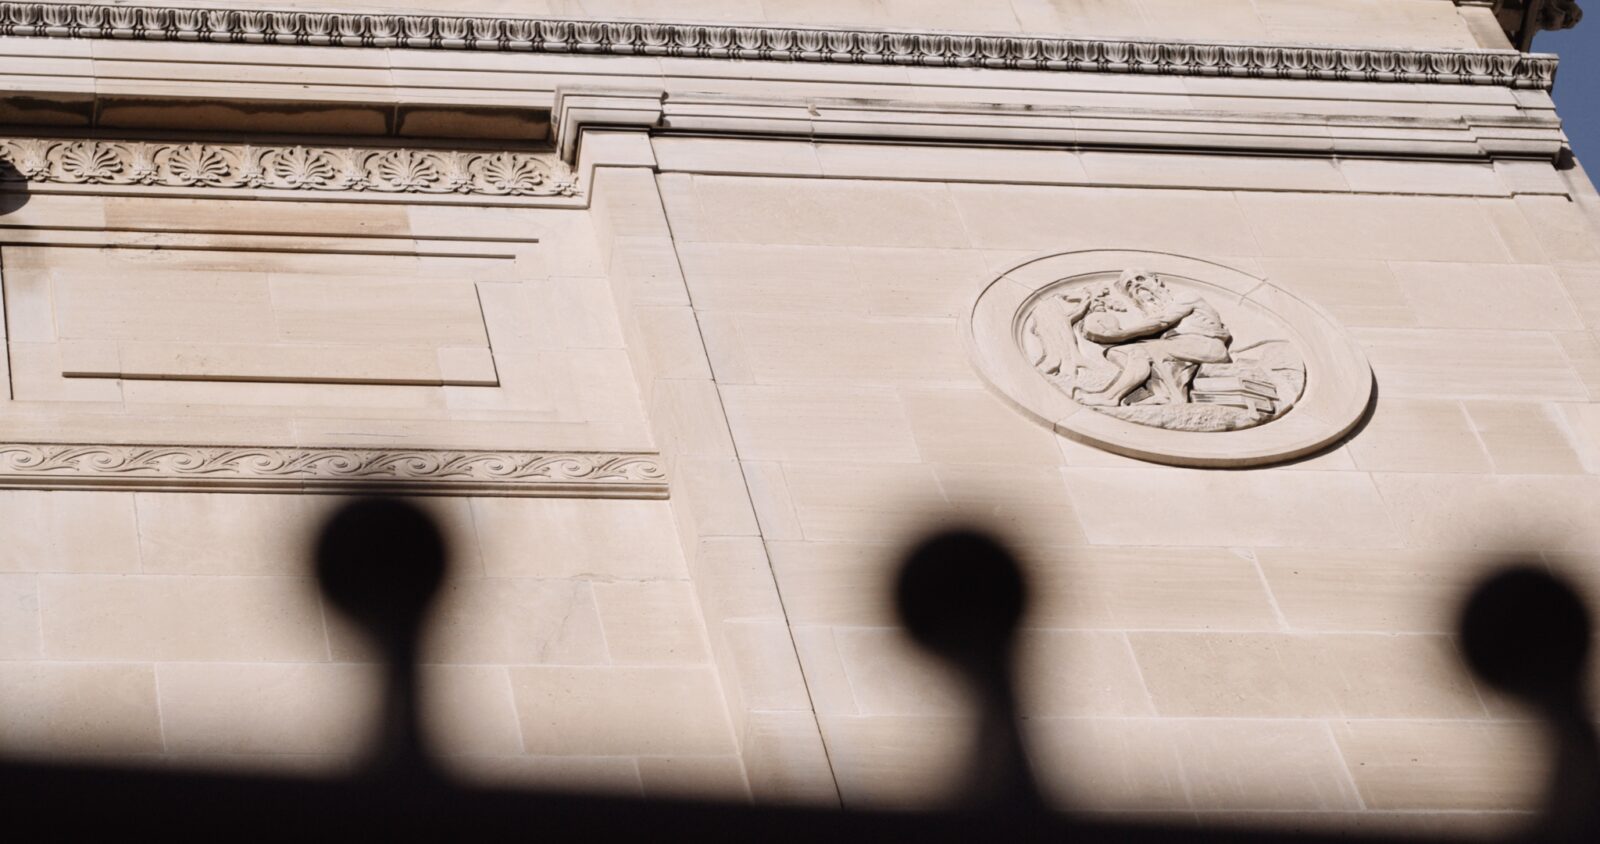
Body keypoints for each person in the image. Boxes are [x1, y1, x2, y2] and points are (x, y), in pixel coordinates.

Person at [1066, 269, 1231, 407]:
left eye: (1140, 279)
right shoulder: (1154, 311)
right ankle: (1161, 393)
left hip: (1206, 345)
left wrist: (1116, 335)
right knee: (1117, 352)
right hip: (1182, 346)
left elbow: (1160, 322)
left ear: (1157, 281)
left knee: (1140, 352)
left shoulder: (1187, 297)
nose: (1136, 284)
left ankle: (1110, 397)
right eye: (1129, 285)